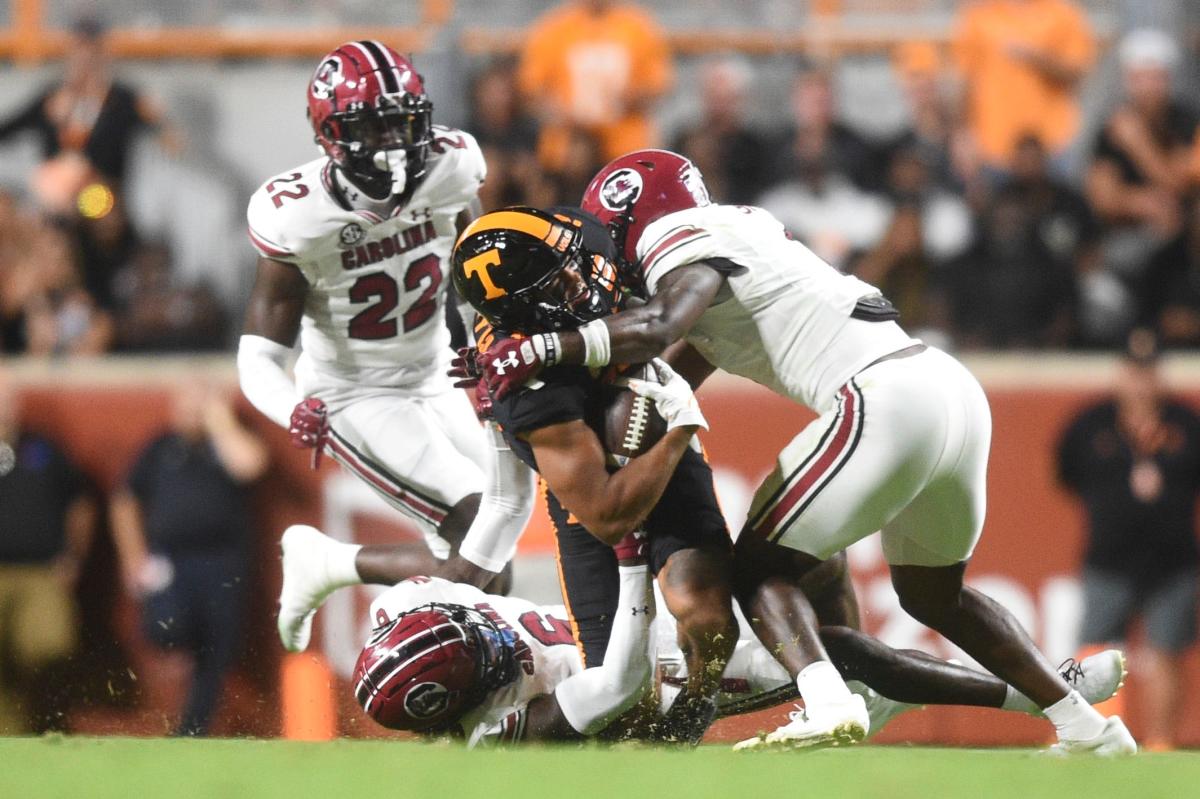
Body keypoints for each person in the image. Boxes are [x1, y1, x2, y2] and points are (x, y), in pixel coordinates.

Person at [474, 150, 1136, 755]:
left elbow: (659, 326)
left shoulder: (676, 237)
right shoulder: (743, 235)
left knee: (758, 568)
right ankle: (1088, 724)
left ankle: (829, 700)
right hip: (949, 390)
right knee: (936, 596)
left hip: (884, 397)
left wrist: (543, 349)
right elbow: (673, 362)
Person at [236, 41, 537, 653]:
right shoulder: (299, 216)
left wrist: (482, 345)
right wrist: (291, 406)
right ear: (331, 134)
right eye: (371, 127)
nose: (392, 144)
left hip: (434, 376)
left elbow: (472, 270)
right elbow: (258, 353)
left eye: (401, 123)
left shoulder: (452, 166)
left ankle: (334, 565)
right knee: (481, 528)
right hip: (354, 394)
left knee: (497, 549)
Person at [294, 528, 1127, 747]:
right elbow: (618, 681)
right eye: (490, 660)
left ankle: (861, 707)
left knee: (807, 559)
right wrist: (629, 561)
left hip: (627, 632)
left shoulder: (418, 607)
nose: (499, 639)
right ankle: (1046, 695)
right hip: (652, 705)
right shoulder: (502, 729)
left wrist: (337, 562)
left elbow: (460, 572)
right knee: (840, 650)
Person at [1057, 332, 1200, 751]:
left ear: (1160, 375)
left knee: (1166, 653)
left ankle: (1160, 741)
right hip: (1109, 557)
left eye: (1149, 372)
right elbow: (1065, 475)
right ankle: (1090, 736)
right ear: (1122, 374)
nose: (1141, 381)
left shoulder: (1185, 424)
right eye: (1134, 372)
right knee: (1094, 652)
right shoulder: (1092, 424)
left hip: (1172, 560)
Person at [109, 382, 268, 736]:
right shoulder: (161, 447)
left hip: (223, 563)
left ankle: (192, 731)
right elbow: (126, 499)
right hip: (171, 562)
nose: (192, 411)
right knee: (165, 628)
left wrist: (221, 424)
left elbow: (249, 466)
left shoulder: (226, 444)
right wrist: (133, 556)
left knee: (217, 653)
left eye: (201, 403)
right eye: (186, 402)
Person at [1085, 29, 1199, 345]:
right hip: (1131, 236)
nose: (1148, 88)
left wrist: (1139, 145)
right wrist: (1143, 201)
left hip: (1184, 239)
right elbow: (1102, 198)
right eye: (1140, 78)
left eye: (1156, 77)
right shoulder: (1110, 129)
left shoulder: (1186, 122)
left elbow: (1183, 182)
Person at [0, 369, 96, 733]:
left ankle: (43, 722)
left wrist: (73, 555)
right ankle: (10, 737)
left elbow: (80, 502)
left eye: (8, 400)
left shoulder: (43, 450)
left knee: (49, 646)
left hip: (40, 572)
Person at [518, 0, 672, 171]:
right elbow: (531, 90)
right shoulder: (554, 28)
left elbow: (658, 85)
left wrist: (632, 98)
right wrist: (561, 112)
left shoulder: (638, 27)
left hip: (625, 148)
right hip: (568, 151)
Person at [952, 0, 1095, 173]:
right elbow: (968, 80)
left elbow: (1075, 73)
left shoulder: (1062, 13)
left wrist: (1036, 58)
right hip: (995, 146)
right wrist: (964, 133)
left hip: (1051, 142)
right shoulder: (981, 15)